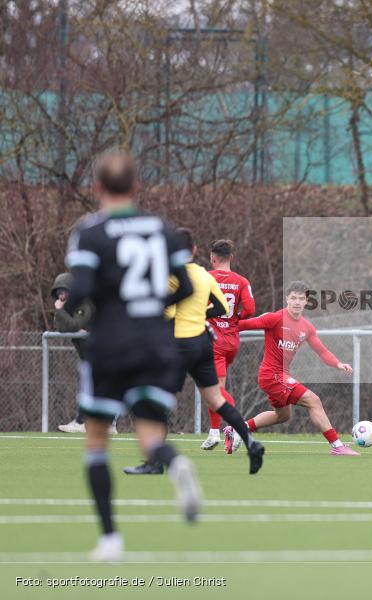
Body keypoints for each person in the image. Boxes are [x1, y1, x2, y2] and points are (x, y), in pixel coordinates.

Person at [63, 148, 200, 562]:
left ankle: (110, 539)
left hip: (110, 343)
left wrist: (78, 306)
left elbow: (81, 291)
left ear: (98, 187)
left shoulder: (90, 231)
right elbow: (188, 288)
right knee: (149, 435)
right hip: (155, 342)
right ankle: (175, 465)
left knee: (97, 440)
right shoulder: (161, 229)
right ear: (137, 187)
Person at [123, 229, 264, 474]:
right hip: (203, 342)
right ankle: (251, 443)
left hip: (180, 344)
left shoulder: (170, 275)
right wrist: (200, 315)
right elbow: (220, 307)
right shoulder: (202, 274)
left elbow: (163, 313)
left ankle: (155, 463)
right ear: (195, 251)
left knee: (154, 401)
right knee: (216, 398)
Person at [232, 280, 357, 455]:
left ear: (306, 301)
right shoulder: (275, 318)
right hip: (271, 375)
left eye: (301, 298)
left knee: (282, 416)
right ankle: (337, 446)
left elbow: (322, 351)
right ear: (287, 299)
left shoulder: (307, 327)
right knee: (314, 401)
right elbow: (241, 325)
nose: (297, 302)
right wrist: (220, 326)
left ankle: (239, 428)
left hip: (281, 375)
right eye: (293, 298)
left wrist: (338, 363)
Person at [201, 239, 256, 450]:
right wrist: (234, 320)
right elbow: (250, 309)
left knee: (214, 389)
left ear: (212, 257)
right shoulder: (241, 281)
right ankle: (214, 432)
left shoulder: (206, 278)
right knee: (216, 387)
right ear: (231, 257)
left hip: (212, 339)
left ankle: (238, 425)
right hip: (231, 341)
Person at [51, 273, 114, 434]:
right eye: (59, 292)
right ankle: (106, 423)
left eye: (64, 291)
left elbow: (75, 324)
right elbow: (62, 327)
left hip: (102, 350)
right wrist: (62, 314)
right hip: (90, 353)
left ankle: (83, 422)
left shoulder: (84, 303)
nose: (62, 295)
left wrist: (60, 312)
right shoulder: (68, 307)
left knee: (96, 388)